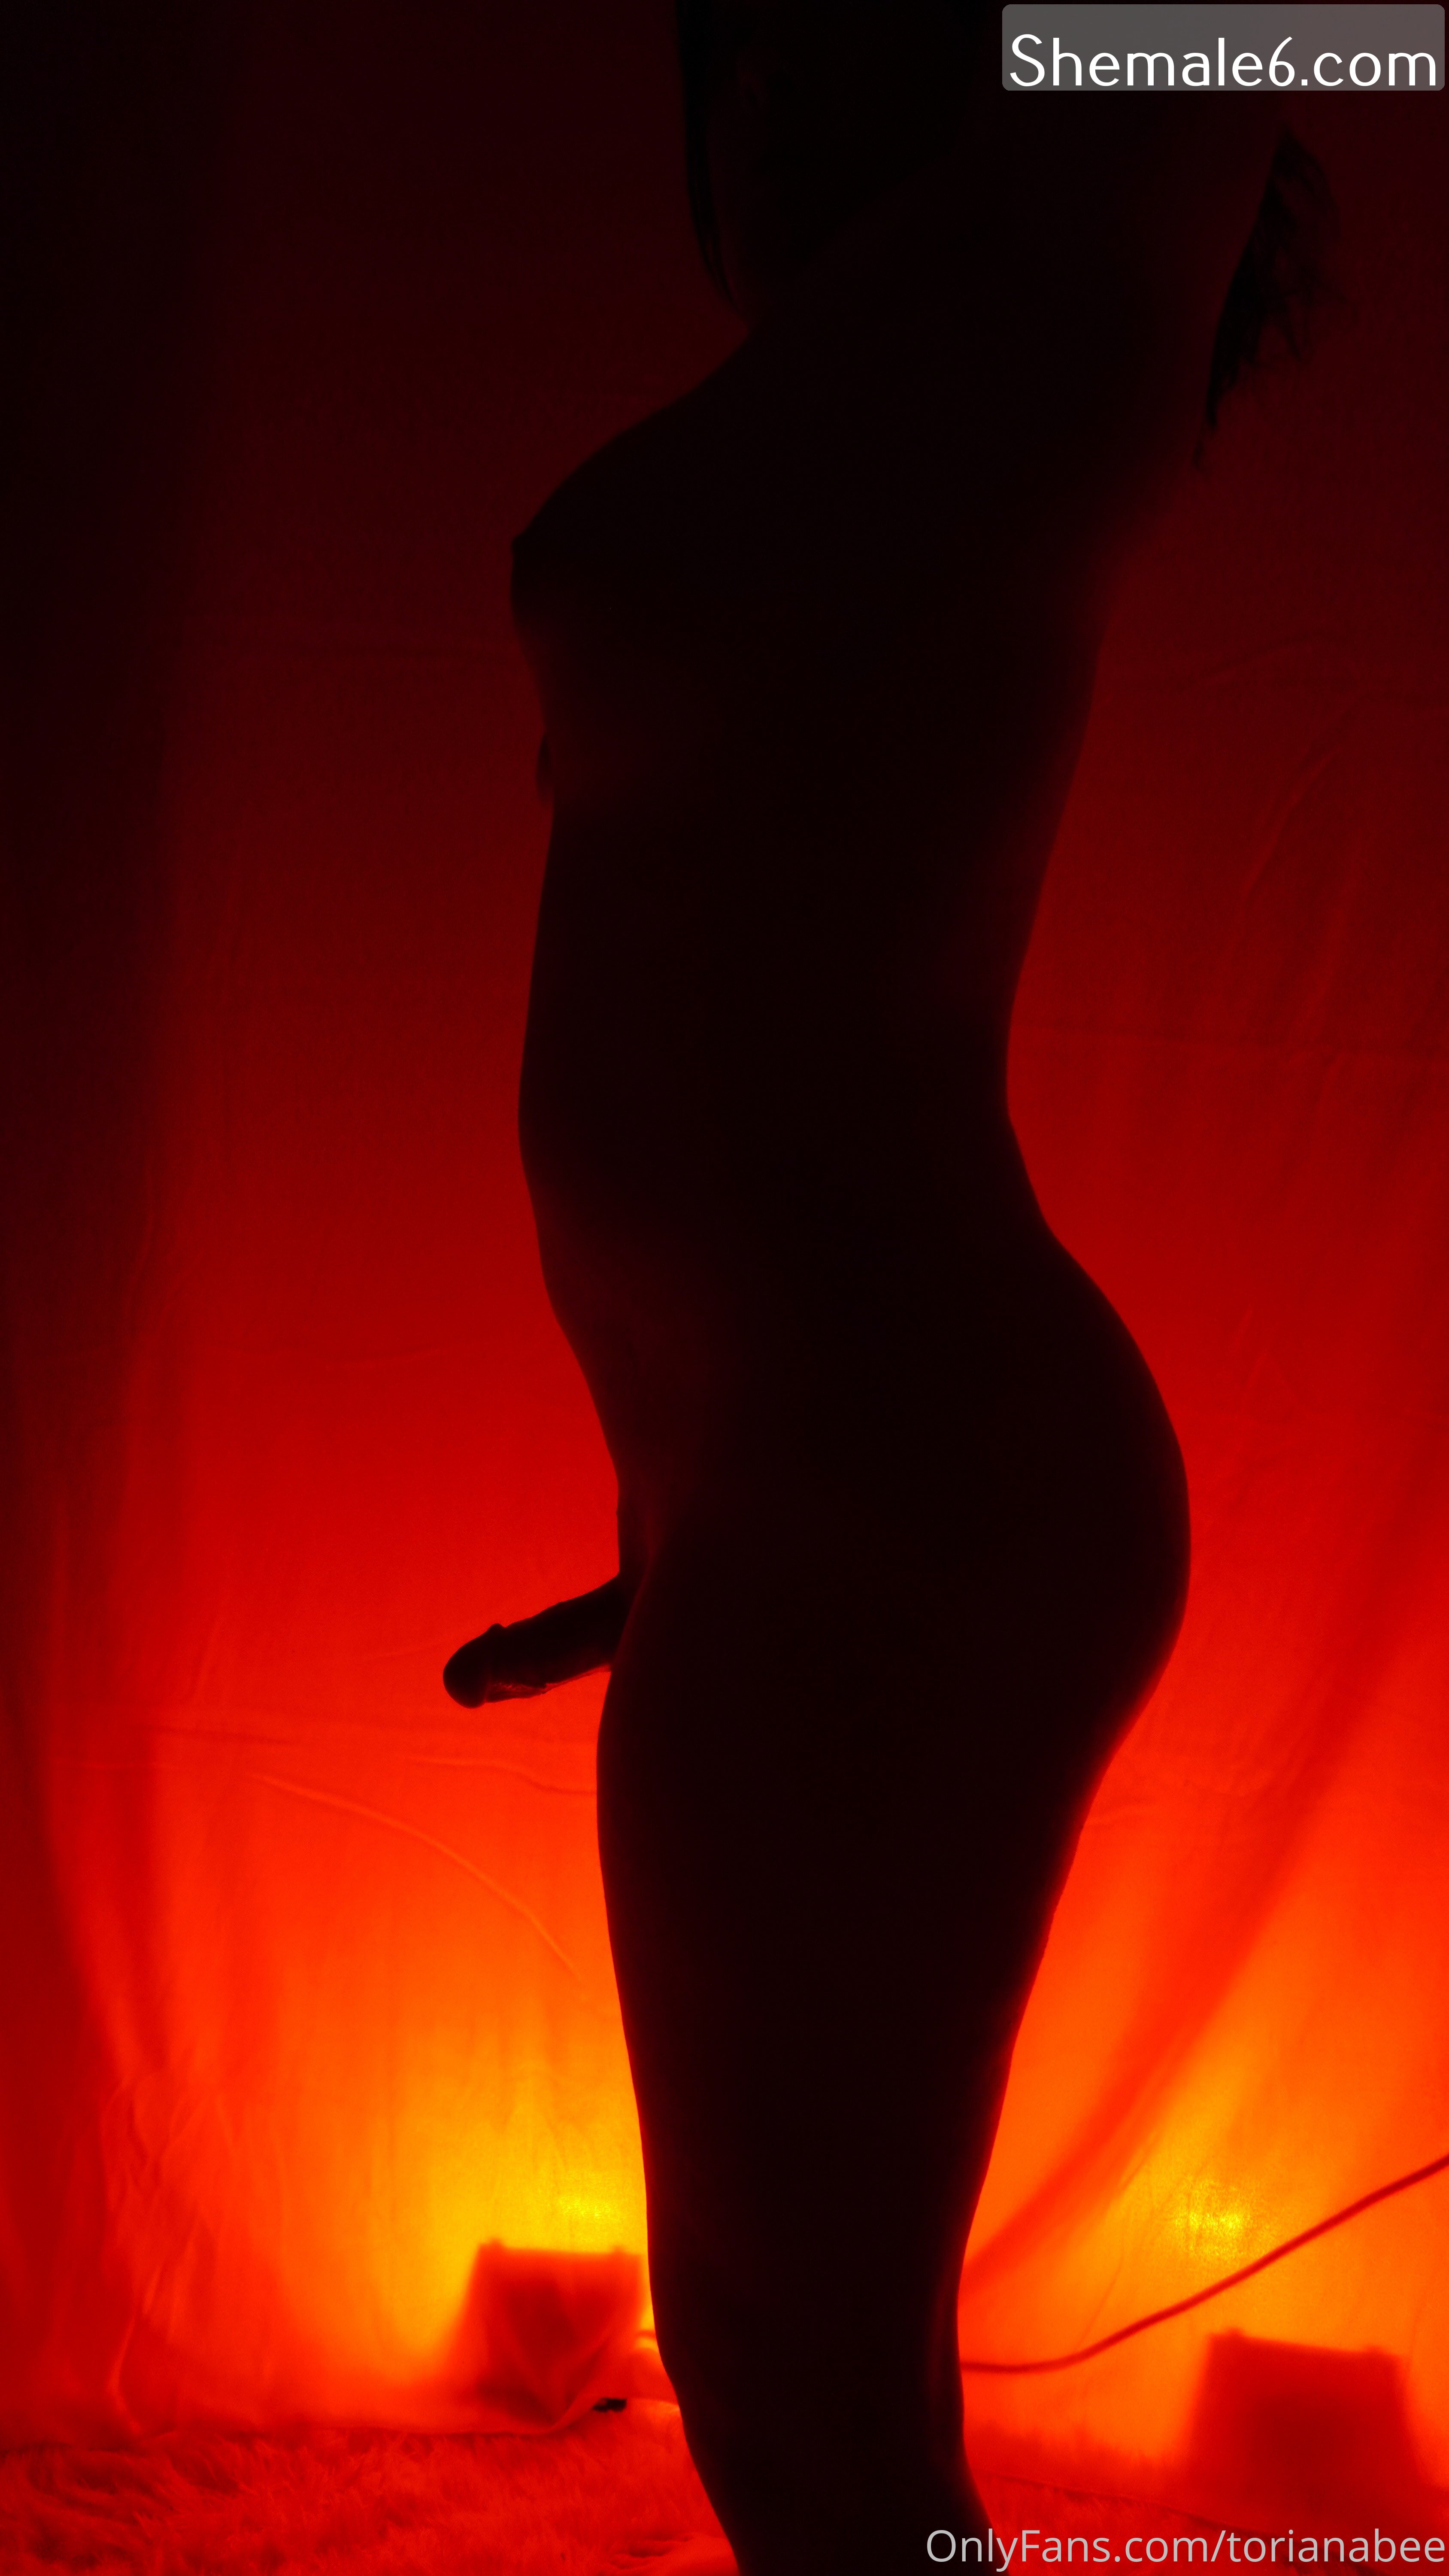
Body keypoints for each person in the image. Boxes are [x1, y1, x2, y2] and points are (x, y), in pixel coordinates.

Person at [445, 8, 1334, 2567]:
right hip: (806, 1489)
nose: (747, 90)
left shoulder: (1051, 298)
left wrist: (784, 1503)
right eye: (721, 48)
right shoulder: (867, 388)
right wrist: (683, 1504)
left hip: (895, 1476)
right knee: (793, 2381)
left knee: (798, 2392)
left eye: (826, 16)